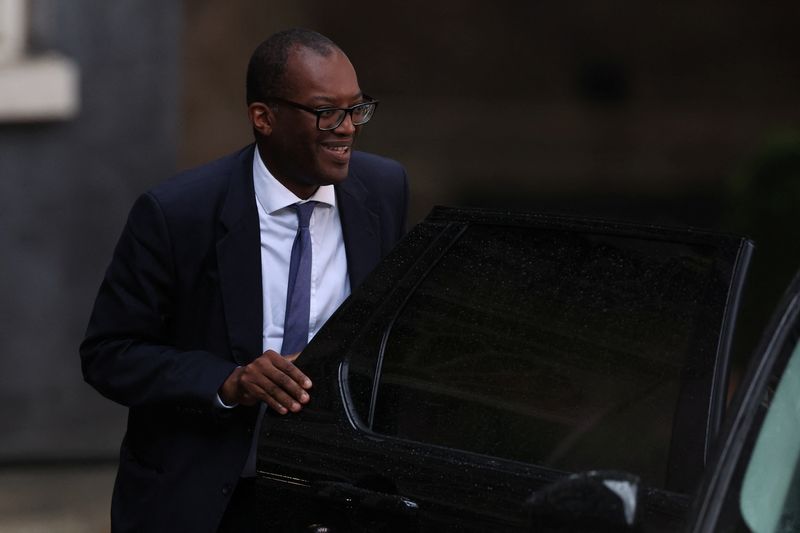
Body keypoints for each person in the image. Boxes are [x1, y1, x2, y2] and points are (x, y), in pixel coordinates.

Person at [80, 28, 408, 533]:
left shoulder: (383, 190)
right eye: (327, 112)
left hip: (336, 490)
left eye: (357, 109)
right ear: (264, 117)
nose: (347, 129)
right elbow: (109, 354)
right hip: (208, 495)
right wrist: (228, 382)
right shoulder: (177, 214)